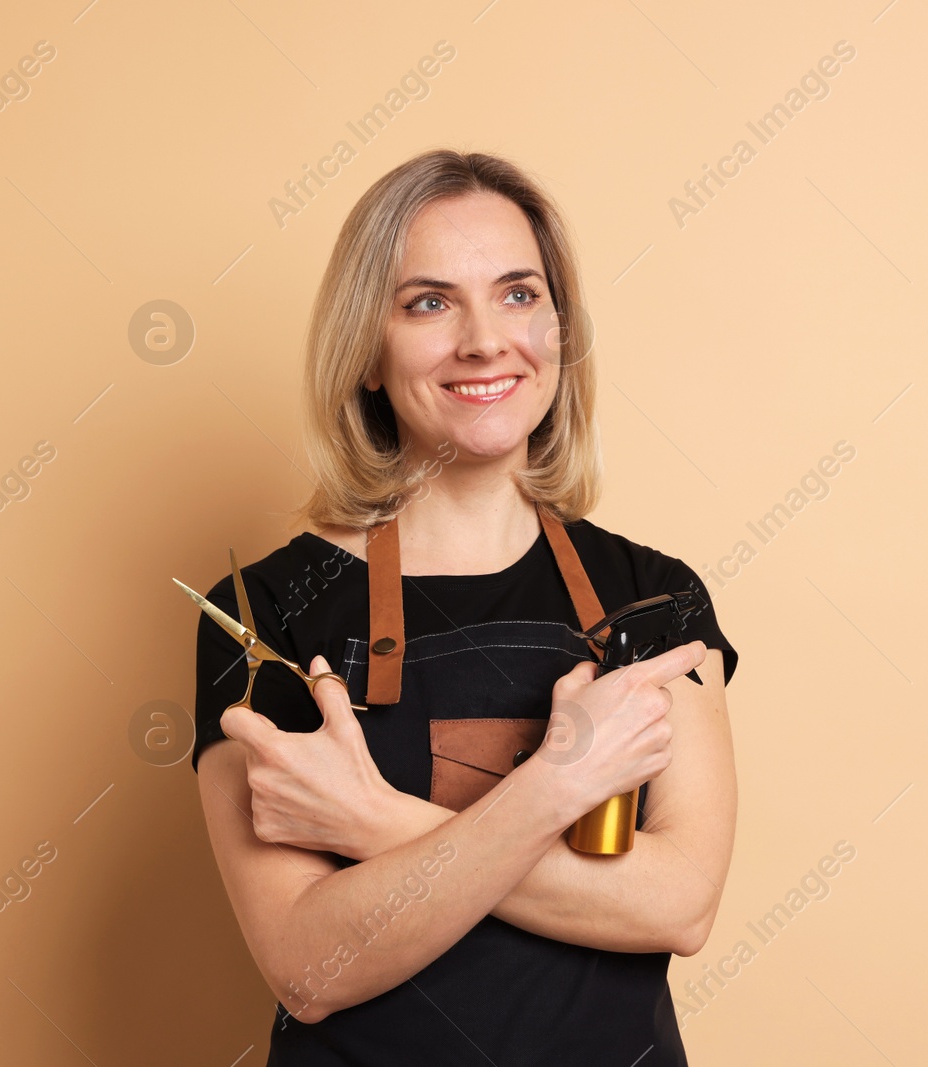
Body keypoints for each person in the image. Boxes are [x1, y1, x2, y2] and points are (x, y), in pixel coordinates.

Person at [190, 149, 738, 1066]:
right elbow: (309, 964)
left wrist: (377, 823)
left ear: (560, 329)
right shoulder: (267, 613)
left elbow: (680, 905)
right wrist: (558, 784)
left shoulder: (656, 599)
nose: (485, 340)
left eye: (519, 293)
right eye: (429, 302)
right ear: (367, 349)